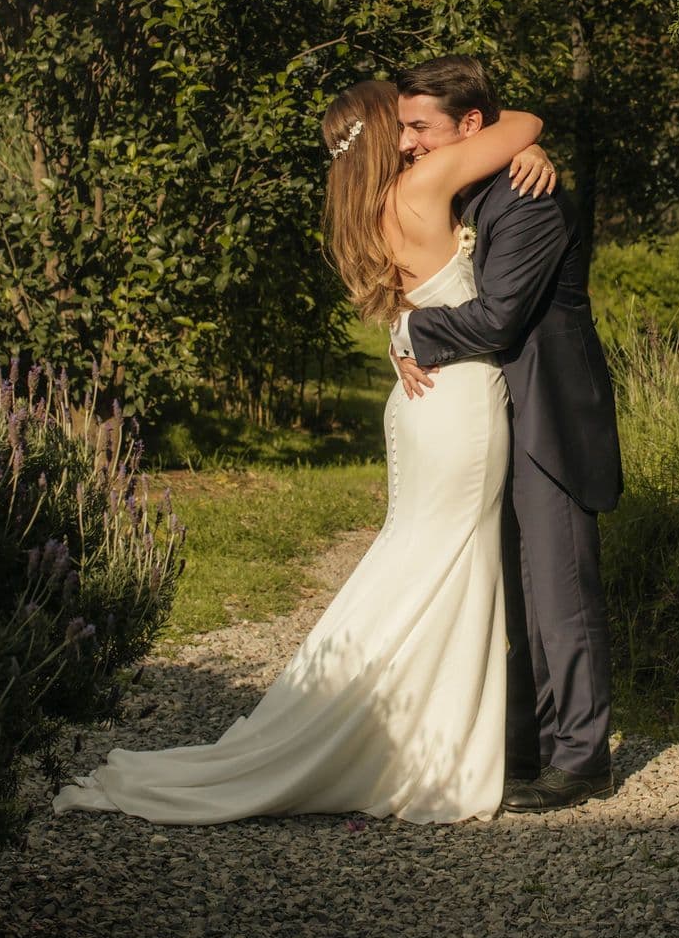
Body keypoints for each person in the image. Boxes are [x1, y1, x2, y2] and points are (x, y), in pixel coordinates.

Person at [53, 78, 553, 826]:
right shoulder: (424, 183)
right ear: (388, 132)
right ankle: (437, 750)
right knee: (452, 566)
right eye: (405, 122)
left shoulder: (367, 207)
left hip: (416, 406)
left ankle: (408, 730)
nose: (417, 135)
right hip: (455, 405)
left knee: (415, 562)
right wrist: (534, 143)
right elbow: (525, 120)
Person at [390, 55, 622, 813]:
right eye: (402, 128)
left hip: (548, 406)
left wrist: (413, 327)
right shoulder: (475, 192)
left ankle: (582, 756)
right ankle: (522, 743)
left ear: (472, 125)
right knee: (513, 590)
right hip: (497, 414)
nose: (407, 143)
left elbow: (497, 317)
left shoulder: (527, 196)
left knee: (559, 588)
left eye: (419, 127)